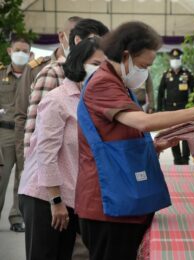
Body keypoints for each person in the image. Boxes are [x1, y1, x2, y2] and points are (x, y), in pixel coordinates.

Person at [75, 21, 194, 260]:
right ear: (125, 56)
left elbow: (117, 136)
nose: (146, 72)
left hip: (121, 197)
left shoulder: (117, 82)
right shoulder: (103, 84)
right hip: (106, 203)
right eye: (144, 65)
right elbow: (142, 122)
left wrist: (154, 146)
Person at [18, 37, 105, 260]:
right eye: (96, 63)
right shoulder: (57, 100)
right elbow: (45, 154)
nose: (101, 70)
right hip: (45, 197)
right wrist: (55, 201)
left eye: (104, 65)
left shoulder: (89, 99)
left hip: (70, 196)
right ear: (78, 62)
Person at [23, 18, 109, 156]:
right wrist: (32, 167)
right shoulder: (53, 73)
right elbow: (35, 128)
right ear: (78, 41)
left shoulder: (94, 77)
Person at [14, 16, 82, 170]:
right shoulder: (37, 68)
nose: (78, 43)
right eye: (74, 36)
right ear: (61, 36)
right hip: (38, 154)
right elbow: (22, 115)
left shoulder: (87, 70)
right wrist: (25, 159)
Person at [0, 36, 31, 233]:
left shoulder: (34, 73)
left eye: (25, 51)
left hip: (27, 131)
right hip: (4, 132)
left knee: (23, 176)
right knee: (1, 176)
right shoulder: (1, 73)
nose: (21, 54)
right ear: (10, 51)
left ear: (30, 54)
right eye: (17, 49)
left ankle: (17, 217)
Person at [157, 48, 194, 165]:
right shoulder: (166, 74)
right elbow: (160, 92)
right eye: (173, 58)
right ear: (170, 60)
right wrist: (160, 110)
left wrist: (193, 106)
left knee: (185, 133)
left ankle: (185, 158)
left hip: (185, 107)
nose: (175, 60)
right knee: (173, 133)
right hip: (170, 108)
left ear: (180, 59)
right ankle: (177, 158)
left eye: (177, 58)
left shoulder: (187, 73)